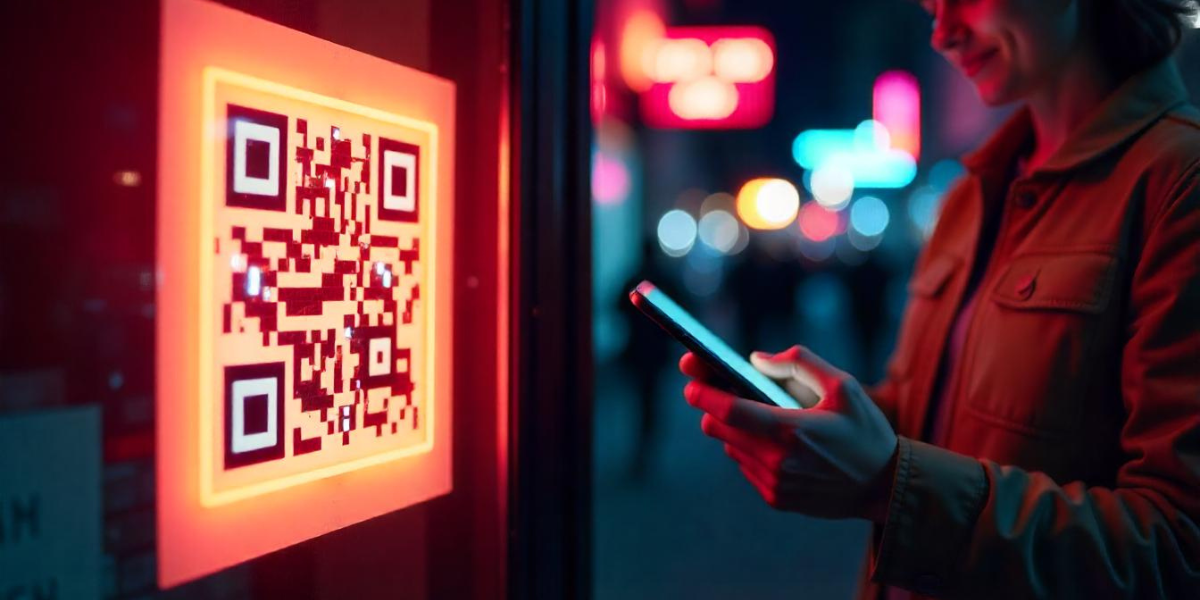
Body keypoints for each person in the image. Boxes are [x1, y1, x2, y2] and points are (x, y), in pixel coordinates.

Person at [678, 0, 1200, 598]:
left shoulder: (1179, 184)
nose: (944, 34)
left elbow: (1179, 549)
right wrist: (838, 421)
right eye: (930, 8)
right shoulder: (972, 195)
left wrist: (886, 483)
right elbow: (940, 416)